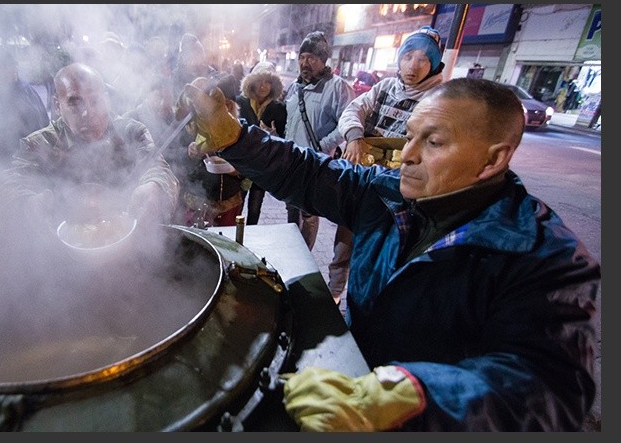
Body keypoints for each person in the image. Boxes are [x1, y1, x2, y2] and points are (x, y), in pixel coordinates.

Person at [180, 76, 599, 431]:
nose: (408, 155)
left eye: (433, 142)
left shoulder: (547, 257)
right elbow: (306, 171)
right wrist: (236, 138)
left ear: (494, 159)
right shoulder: (386, 194)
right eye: (410, 136)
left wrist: (409, 393)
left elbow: (551, 388)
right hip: (350, 380)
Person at [0, 63, 179, 246]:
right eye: (75, 104)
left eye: (95, 100)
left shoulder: (131, 133)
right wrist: (28, 206)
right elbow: (8, 186)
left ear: (106, 98)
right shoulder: (40, 144)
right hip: (63, 256)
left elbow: (157, 169)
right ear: (58, 105)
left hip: (127, 245)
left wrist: (155, 187)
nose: (87, 113)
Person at [327, 26, 445, 306]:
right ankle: (333, 295)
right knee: (345, 241)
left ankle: (367, 305)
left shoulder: (439, 99)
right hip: (363, 180)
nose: (412, 66)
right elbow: (353, 110)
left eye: (422, 60)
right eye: (407, 57)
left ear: (434, 64)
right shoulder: (385, 87)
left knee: (382, 250)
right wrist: (355, 137)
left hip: (399, 191)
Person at [283, 31, 354, 249]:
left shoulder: (337, 87)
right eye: (302, 57)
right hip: (292, 161)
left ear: (323, 61)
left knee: (310, 214)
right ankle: (292, 250)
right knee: (292, 208)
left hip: (315, 164)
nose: (305, 62)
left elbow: (347, 124)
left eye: (311, 58)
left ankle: (304, 258)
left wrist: (322, 146)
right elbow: (290, 121)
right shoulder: (295, 87)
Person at [0, 45, 51, 179]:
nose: (12, 70)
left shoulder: (26, 89)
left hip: (37, 164)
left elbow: (45, 123)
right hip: (6, 168)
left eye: (13, 65)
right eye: (3, 66)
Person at [181, 73, 246, 227]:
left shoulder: (240, 130)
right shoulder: (192, 126)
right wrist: (190, 153)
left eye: (227, 105)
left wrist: (235, 169)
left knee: (225, 243)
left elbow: (249, 173)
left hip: (229, 203)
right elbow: (177, 161)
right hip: (196, 200)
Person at [235, 61, 287, 225]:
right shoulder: (240, 103)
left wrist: (273, 134)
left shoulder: (278, 108)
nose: (263, 86)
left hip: (263, 167)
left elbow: (283, 139)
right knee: (237, 206)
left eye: (268, 82)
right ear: (252, 81)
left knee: (255, 209)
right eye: (260, 81)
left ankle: (250, 240)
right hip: (241, 166)